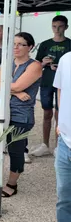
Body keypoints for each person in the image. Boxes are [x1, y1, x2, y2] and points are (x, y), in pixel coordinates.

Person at [0, 32, 42, 197]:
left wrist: (9, 87)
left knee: (16, 150)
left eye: (21, 44)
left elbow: (9, 85)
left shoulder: (34, 66)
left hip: (20, 114)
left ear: (30, 47)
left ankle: (12, 183)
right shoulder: (7, 63)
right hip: (0, 110)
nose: (16, 47)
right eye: (14, 44)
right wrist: (17, 92)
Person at [36, 51, 71, 222]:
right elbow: (60, 91)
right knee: (65, 196)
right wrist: (60, 124)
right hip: (66, 141)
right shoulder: (66, 59)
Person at [31, 16, 71, 157]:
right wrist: (44, 63)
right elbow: (36, 64)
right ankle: (45, 144)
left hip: (64, 85)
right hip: (47, 82)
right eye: (54, 26)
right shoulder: (45, 44)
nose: (57, 30)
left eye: (60, 26)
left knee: (60, 114)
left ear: (66, 27)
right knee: (47, 113)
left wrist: (61, 67)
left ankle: (59, 146)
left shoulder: (69, 44)